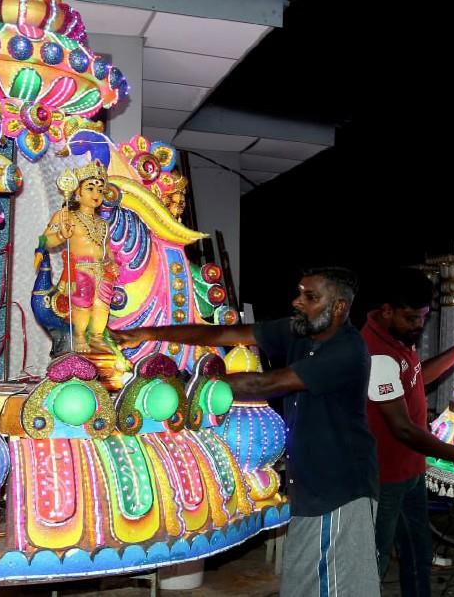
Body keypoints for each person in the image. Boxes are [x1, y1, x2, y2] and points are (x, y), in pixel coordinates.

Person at [110, 267, 381, 597]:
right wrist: (148, 334)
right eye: (299, 292)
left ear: (338, 307)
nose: (297, 301)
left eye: (310, 297)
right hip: (312, 487)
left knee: (334, 586)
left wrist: (186, 385)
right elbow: (226, 334)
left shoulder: (347, 351)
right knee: (302, 585)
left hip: (339, 491)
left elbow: (264, 384)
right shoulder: (302, 331)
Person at [362, 268, 454, 596]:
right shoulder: (377, 354)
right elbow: (403, 429)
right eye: (411, 318)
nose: (418, 326)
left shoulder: (397, 339)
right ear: (387, 310)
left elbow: (416, 379)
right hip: (385, 476)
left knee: (418, 554)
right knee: (375, 560)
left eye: (423, 317)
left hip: (410, 470)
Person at [43, 167, 119, 352]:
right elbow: (44, 241)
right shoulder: (66, 216)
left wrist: (111, 262)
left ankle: (97, 338)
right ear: (77, 192)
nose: (96, 194)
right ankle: (79, 338)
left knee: (102, 306)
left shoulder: (103, 223)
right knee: (83, 306)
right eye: (90, 188)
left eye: (100, 190)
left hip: (102, 270)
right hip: (80, 269)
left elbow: (106, 248)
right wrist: (61, 235)